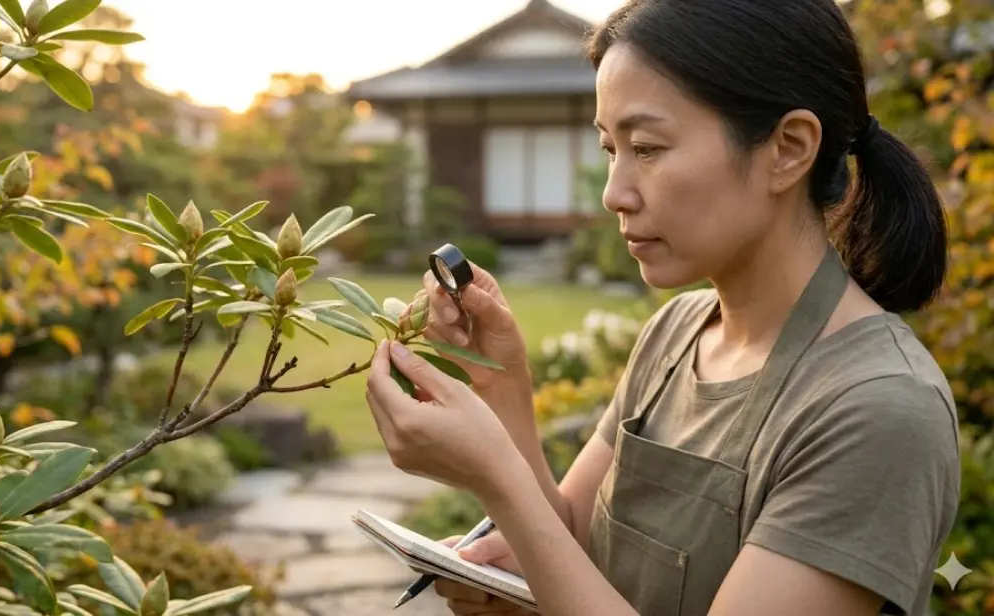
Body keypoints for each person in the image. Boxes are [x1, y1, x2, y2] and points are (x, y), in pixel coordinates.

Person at [362, 0, 961, 614]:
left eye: (646, 148)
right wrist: (500, 384)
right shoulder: (676, 332)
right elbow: (570, 542)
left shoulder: (879, 407)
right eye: (609, 150)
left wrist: (497, 479)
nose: (613, 193)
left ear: (788, 148)